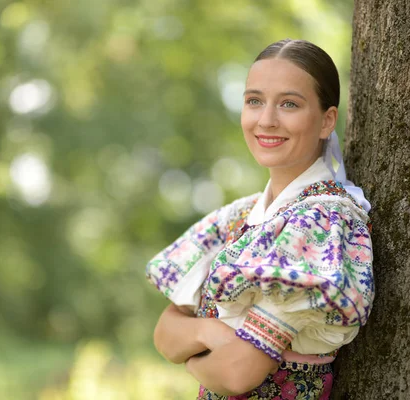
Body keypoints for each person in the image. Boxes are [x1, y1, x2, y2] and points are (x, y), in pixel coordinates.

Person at [145, 39, 374, 399]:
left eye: (289, 104)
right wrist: (211, 334)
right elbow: (164, 333)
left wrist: (192, 360)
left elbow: (237, 374)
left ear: (326, 121)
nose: (266, 120)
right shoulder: (238, 218)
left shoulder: (320, 223)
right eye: (254, 101)